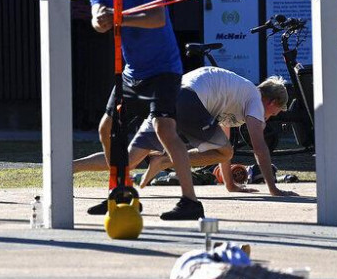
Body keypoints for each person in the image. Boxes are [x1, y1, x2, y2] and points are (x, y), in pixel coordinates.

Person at [80, 0, 202, 220]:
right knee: (106, 128)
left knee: (164, 129)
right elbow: (98, 20)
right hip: (132, 72)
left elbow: (157, 19)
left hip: (163, 70)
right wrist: (102, 19)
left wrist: (120, 17)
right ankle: (121, 190)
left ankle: (190, 201)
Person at [75, 67, 299, 198]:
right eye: (276, 112)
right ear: (271, 102)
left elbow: (223, 139)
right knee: (226, 152)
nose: (273, 117)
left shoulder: (237, 96)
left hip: (169, 96)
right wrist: (274, 189)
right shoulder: (253, 99)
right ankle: (164, 161)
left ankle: (70, 167)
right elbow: (259, 147)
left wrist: (230, 185)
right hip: (189, 98)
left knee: (130, 159)